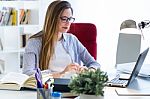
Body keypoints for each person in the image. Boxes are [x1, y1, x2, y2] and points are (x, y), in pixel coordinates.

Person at [23, 0, 100, 78]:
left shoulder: (72, 40)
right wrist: (62, 74)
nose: (68, 23)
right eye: (64, 19)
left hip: (72, 86)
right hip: (49, 87)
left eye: (70, 19)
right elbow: (28, 73)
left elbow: (94, 64)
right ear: (52, 19)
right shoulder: (34, 42)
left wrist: (88, 71)